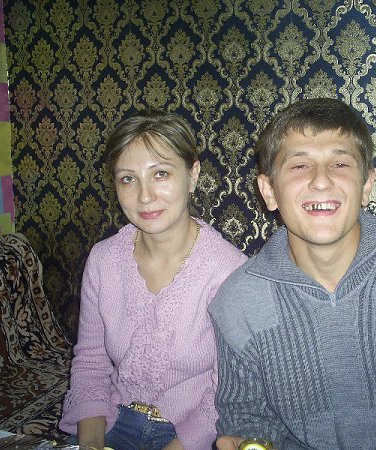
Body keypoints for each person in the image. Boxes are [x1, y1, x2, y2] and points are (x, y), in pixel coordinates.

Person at [209, 98, 376, 449]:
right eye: (299, 165)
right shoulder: (237, 302)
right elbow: (247, 417)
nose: (321, 181)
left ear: (366, 185)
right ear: (269, 191)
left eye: (339, 163)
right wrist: (247, 440)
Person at [59, 109, 248, 450]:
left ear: (192, 175)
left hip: (190, 434)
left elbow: (226, 392)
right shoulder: (103, 260)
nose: (144, 196)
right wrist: (90, 445)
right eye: (128, 179)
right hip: (112, 420)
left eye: (160, 174)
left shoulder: (230, 272)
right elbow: (90, 363)